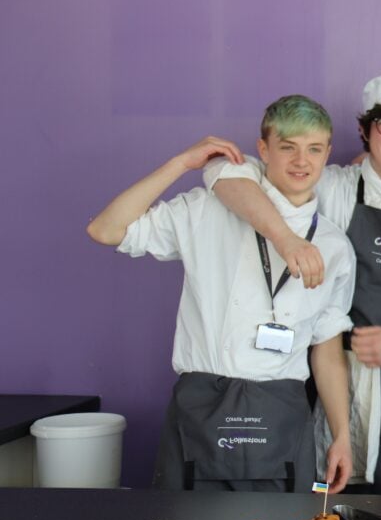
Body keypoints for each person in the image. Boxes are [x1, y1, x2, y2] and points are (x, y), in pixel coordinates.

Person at [201, 75, 381, 494]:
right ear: (364, 130)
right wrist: (286, 239)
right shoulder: (333, 186)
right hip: (347, 385)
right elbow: (225, 172)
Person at [86, 95, 356, 492]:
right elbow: (105, 230)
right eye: (288, 148)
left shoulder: (334, 246)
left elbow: (328, 352)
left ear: (327, 153)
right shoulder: (206, 210)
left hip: (283, 410)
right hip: (202, 406)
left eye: (314, 149)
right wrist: (179, 164)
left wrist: (342, 435)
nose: (302, 161)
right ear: (263, 150)